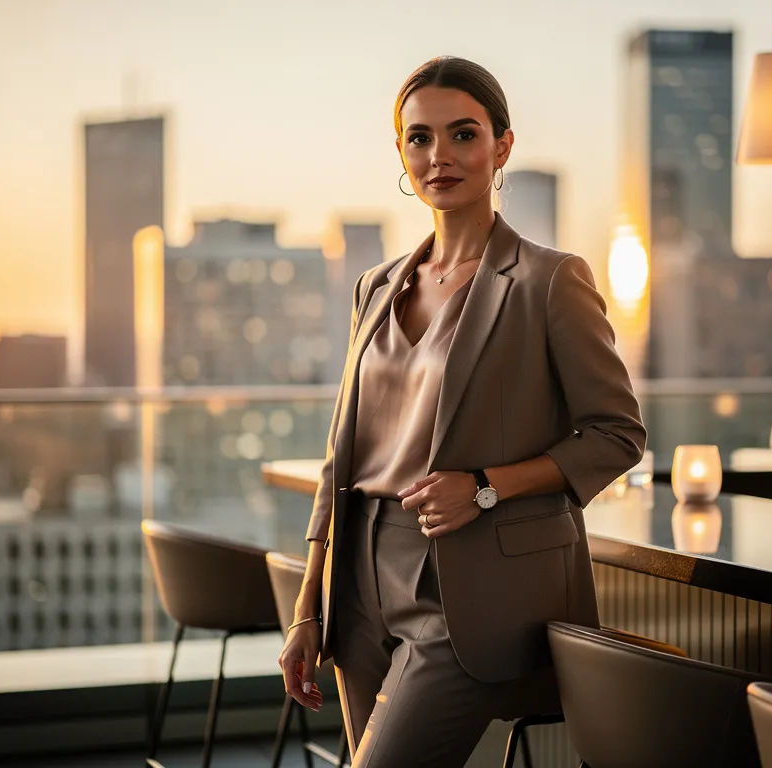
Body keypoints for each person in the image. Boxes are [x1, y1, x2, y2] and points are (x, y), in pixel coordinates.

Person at [277, 55, 646, 767]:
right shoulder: (375, 287)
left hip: (471, 591)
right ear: (400, 152)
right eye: (419, 138)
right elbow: (338, 460)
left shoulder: (548, 281)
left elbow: (617, 435)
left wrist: (485, 485)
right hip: (358, 579)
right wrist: (307, 607)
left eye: (463, 134)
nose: (439, 156)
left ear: (502, 146)